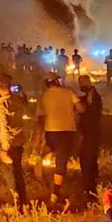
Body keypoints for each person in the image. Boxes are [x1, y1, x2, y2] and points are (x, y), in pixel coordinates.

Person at [36, 74, 81, 207]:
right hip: (67, 131)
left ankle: (40, 158)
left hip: (51, 131)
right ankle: (55, 193)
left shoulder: (44, 96)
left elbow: (40, 119)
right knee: (61, 163)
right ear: (56, 81)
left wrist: (38, 137)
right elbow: (81, 108)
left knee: (50, 149)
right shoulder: (68, 92)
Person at [0, 79, 28, 210]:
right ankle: (23, 202)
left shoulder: (2, 105)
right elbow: (25, 102)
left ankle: (15, 204)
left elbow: (4, 127)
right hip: (19, 140)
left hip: (10, 143)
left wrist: (4, 148)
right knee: (18, 173)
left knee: (11, 175)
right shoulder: (17, 100)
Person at [76, 74, 103, 201]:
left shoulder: (92, 95)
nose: (80, 86)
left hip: (90, 133)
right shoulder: (90, 95)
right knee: (89, 159)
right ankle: (90, 187)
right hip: (90, 133)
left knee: (88, 160)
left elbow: (89, 112)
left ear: (86, 82)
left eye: (81, 83)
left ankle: (90, 189)